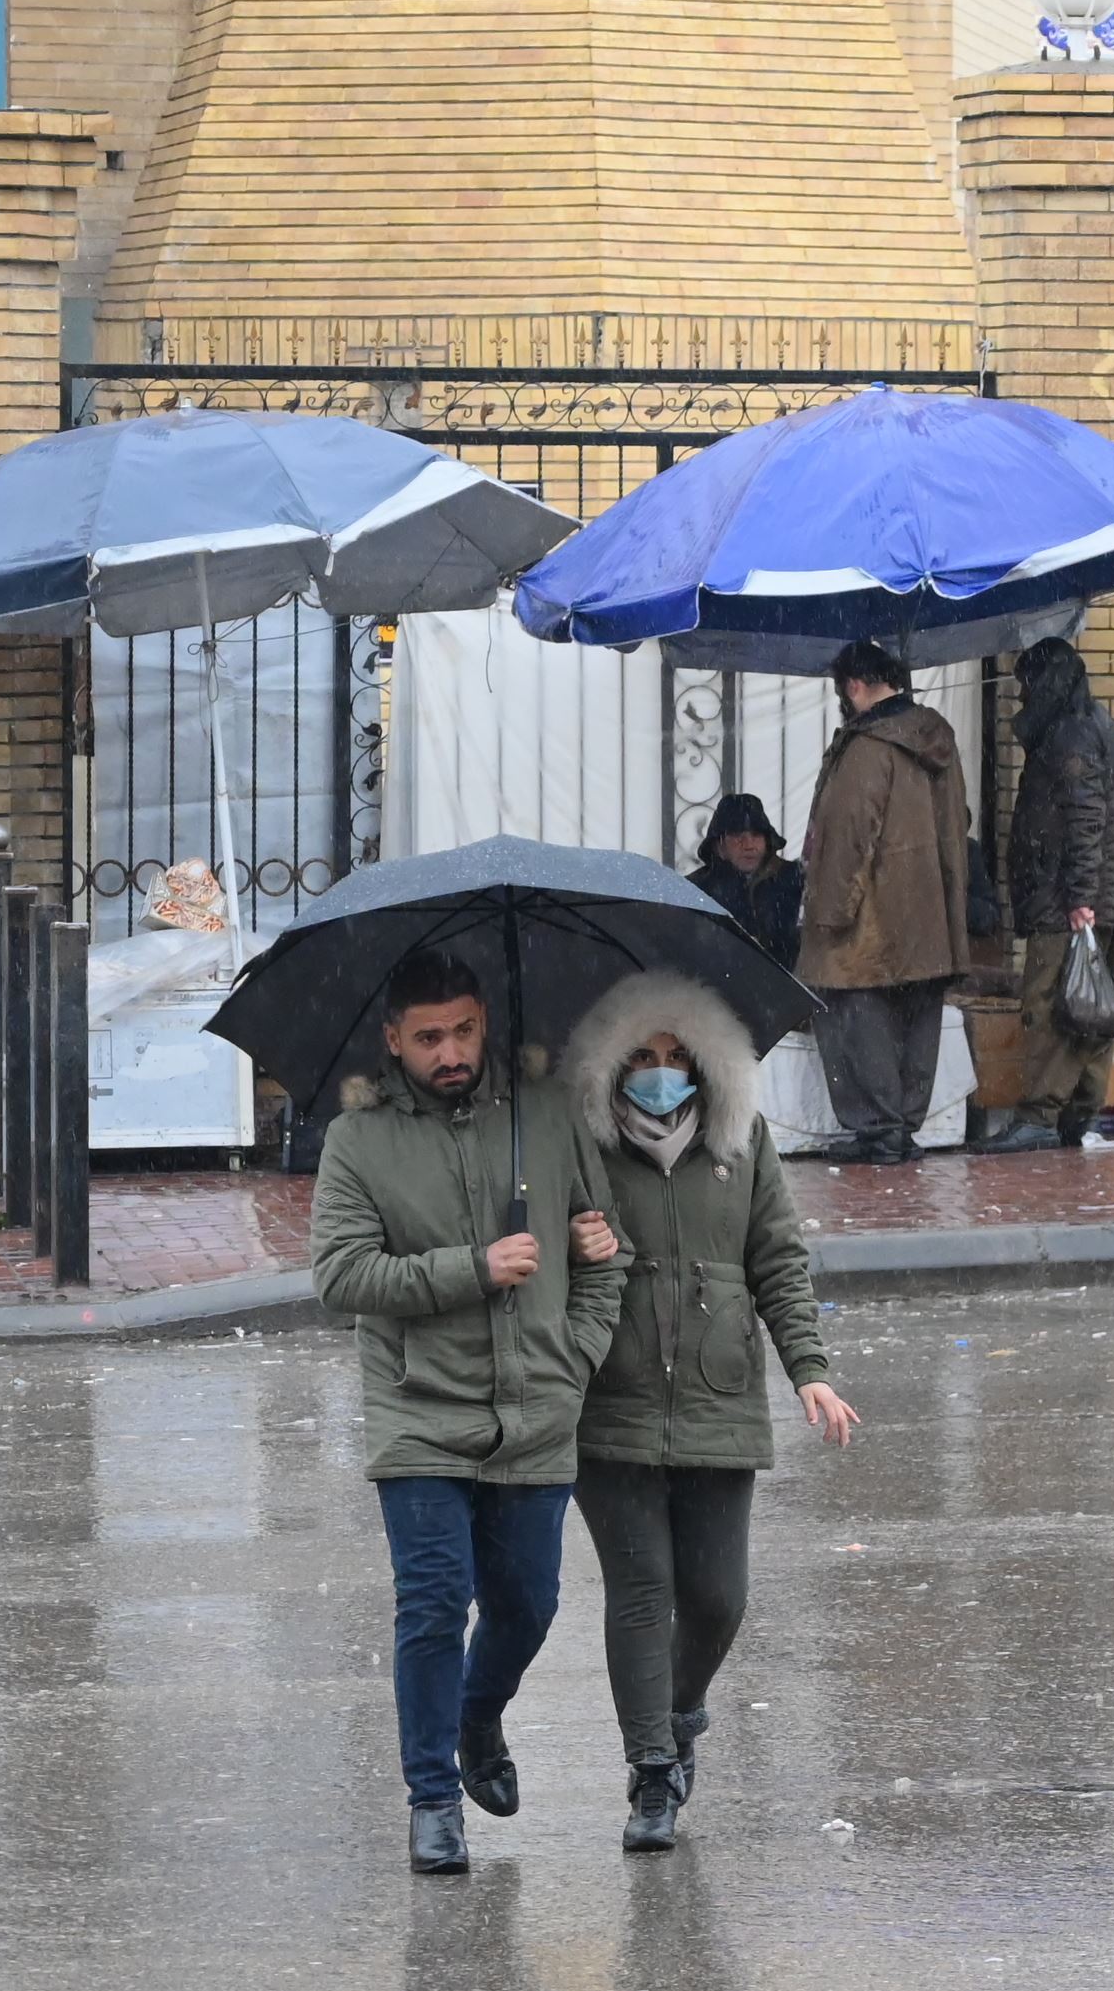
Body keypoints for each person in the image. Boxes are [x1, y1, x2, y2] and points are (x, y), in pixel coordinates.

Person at [311, 951, 624, 1874]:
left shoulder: (548, 1118)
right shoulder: (358, 1144)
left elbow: (605, 1252)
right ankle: (431, 1800)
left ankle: (476, 1714)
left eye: (463, 1031)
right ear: (394, 1041)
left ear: (485, 1022)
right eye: (428, 1038)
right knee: (435, 1604)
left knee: (528, 1605)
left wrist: (578, 1357)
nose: (450, 1053)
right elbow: (340, 1276)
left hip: (537, 1407)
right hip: (419, 1413)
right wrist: (472, 1269)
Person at [562, 967, 854, 1852]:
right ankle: (651, 1772)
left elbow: (777, 1261)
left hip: (719, 1395)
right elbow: (539, 1264)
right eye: (642, 1056)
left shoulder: (743, 1141)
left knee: (719, 1598)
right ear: (613, 1065)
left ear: (708, 1063)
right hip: (609, 1399)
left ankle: (680, 1709)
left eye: (677, 1055)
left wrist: (809, 1368)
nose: (660, 1071)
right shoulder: (578, 1146)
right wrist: (582, 1248)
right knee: (642, 1591)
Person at [795, 637, 969, 1164]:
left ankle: (879, 1130)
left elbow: (849, 836)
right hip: (929, 917)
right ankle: (903, 1127)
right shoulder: (936, 738)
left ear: (853, 686)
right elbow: (959, 822)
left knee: (849, 1012)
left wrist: (827, 915)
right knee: (916, 1020)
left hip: (867, 921)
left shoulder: (868, 747)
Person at [990, 633, 1114, 1155]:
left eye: (1025, 685)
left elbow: (1085, 819)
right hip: (1107, 898)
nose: (1020, 697)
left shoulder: (1070, 735)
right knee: (1092, 1011)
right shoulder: (1099, 725)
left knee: (1053, 1007)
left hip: (1071, 904)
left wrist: (1079, 898)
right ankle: (1079, 1113)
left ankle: (1039, 1116)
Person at [687, 791, 805, 958]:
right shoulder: (696, 890)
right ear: (719, 846)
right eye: (737, 836)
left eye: (756, 835)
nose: (749, 845)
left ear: (767, 841)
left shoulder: (794, 880)